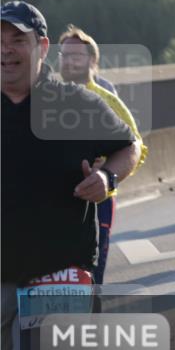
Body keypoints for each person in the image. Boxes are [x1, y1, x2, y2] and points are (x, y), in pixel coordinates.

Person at [2, 1, 141, 350]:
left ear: (41, 46)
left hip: (59, 269)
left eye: (17, 40)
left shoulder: (75, 103)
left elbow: (129, 145)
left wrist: (108, 179)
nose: (6, 50)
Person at [57, 25, 149, 284]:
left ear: (93, 61)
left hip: (99, 201)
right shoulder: (46, 97)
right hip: (56, 198)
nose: (69, 61)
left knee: (91, 275)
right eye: (64, 55)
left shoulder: (107, 101)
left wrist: (107, 173)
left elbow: (137, 146)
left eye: (77, 56)